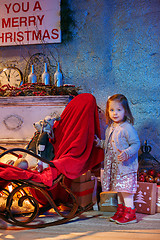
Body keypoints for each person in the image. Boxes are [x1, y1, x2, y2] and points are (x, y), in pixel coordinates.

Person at [95, 94, 140, 224]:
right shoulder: (110, 128)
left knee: (126, 190)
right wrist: (99, 143)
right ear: (108, 112)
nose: (115, 113)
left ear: (125, 111)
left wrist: (127, 153)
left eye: (119, 110)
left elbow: (136, 144)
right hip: (115, 167)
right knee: (119, 189)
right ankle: (122, 210)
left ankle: (130, 213)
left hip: (125, 167)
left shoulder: (127, 128)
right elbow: (109, 144)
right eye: (112, 110)